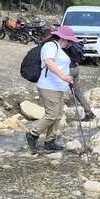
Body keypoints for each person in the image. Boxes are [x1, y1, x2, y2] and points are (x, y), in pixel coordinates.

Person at [25, 25, 79, 154]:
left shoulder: (59, 48)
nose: (70, 43)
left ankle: (50, 141)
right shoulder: (50, 46)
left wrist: (65, 79)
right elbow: (48, 62)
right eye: (69, 41)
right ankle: (33, 133)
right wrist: (64, 77)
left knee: (58, 115)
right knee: (52, 114)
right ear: (63, 38)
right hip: (48, 86)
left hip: (58, 86)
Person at [66, 40, 95, 122]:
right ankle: (89, 112)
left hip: (67, 69)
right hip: (75, 68)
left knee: (58, 92)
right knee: (77, 92)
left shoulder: (61, 44)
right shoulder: (73, 43)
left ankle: (56, 116)